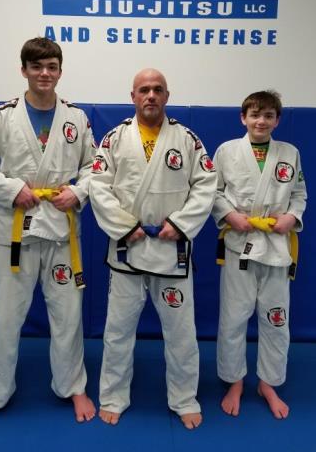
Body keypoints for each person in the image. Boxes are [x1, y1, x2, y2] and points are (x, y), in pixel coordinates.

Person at [0, 37, 96, 434]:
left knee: (68, 317)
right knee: (3, 318)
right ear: (23, 70)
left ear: (60, 70)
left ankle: (73, 386)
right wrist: (11, 189)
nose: (44, 73)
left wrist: (78, 192)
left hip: (61, 234)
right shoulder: (1, 117)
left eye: (51, 66)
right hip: (15, 234)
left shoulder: (76, 118)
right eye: (36, 66)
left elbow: (96, 169)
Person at [89, 68, 217, 429]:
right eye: (144, 89)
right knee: (118, 331)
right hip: (127, 250)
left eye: (157, 89)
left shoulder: (187, 139)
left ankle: (184, 398)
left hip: (171, 249)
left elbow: (207, 184)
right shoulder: (114, 138)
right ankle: (113, 396)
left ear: (167, 96)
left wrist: (181, 223)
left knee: (181, 333)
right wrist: (124, 226)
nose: (151, 95)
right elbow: (98, 185)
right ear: (132, 96)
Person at [212, 90, 307, 419]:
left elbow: (299, 193)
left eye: (268, 115)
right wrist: (230, 215)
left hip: (277, 247)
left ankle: (268, 383)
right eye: (255, 115)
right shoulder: (227, 151)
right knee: (233, 318)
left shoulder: (290, 153)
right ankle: (235, 381)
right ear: (243, 118)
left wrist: (292, 217)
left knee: (276, 318)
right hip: (240, 244)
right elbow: (214, 192)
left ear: (277, 120)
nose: (261, 121)